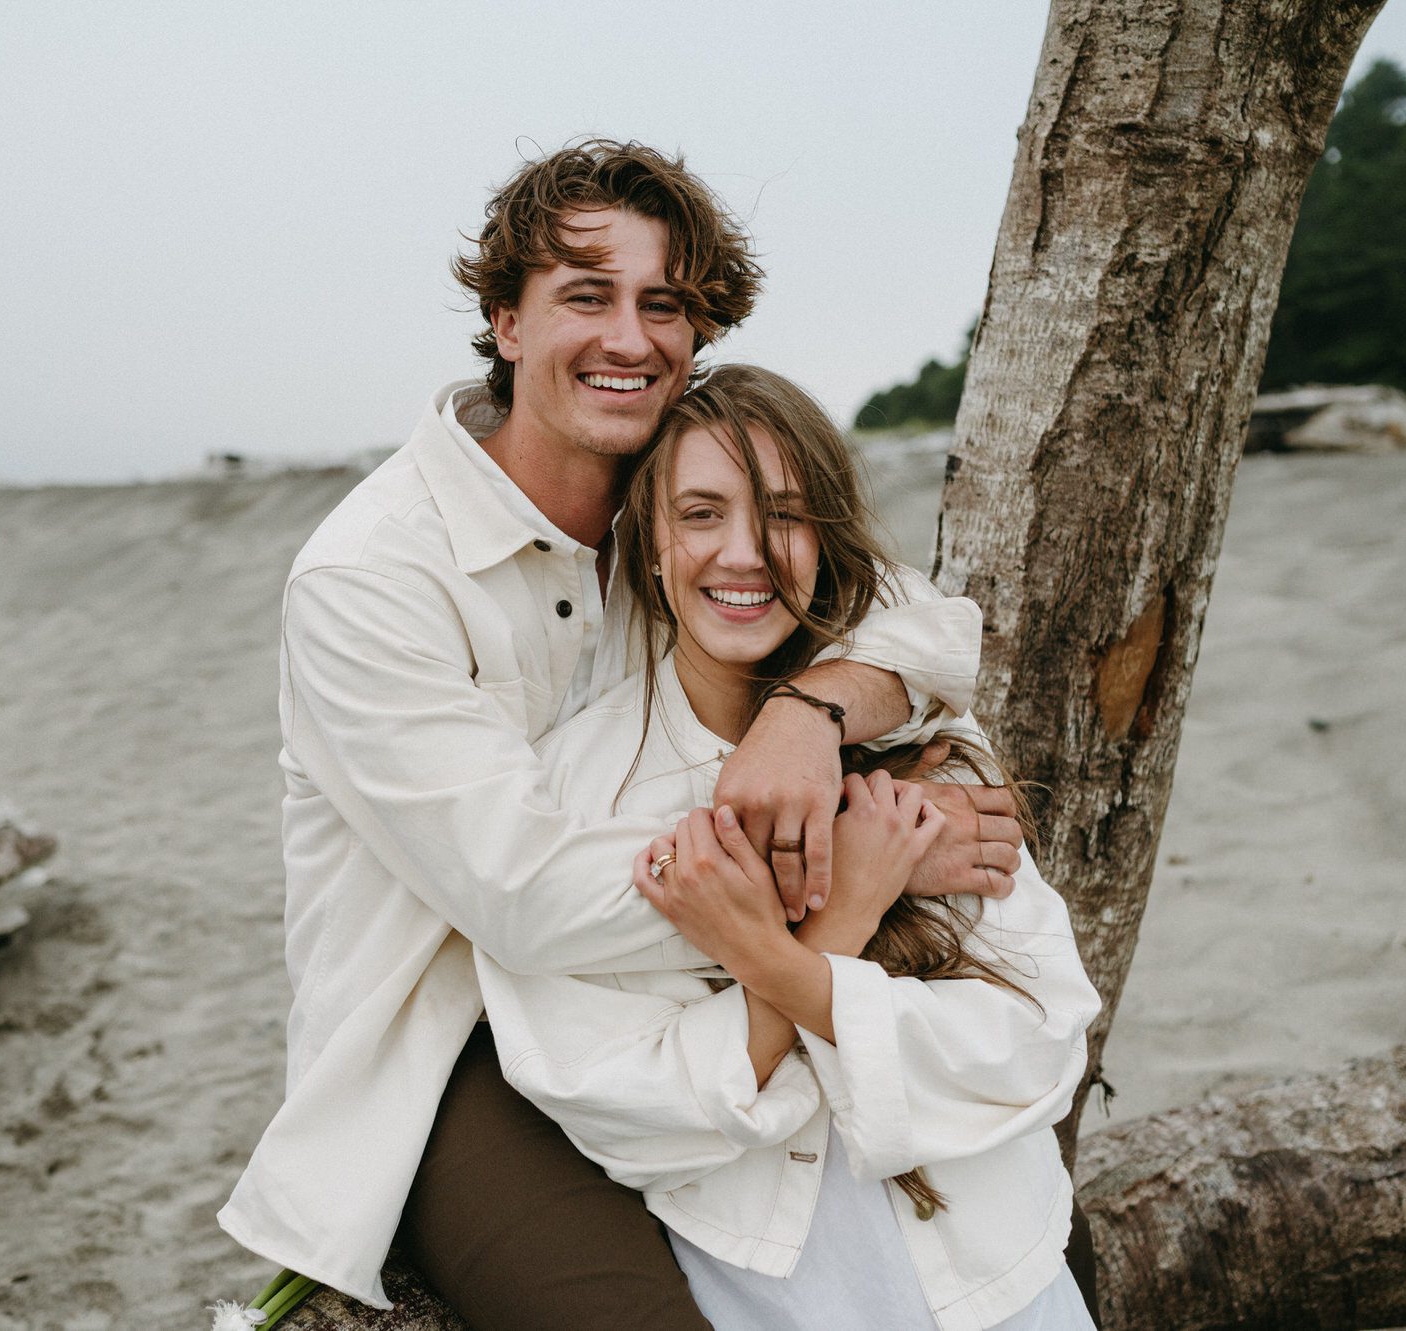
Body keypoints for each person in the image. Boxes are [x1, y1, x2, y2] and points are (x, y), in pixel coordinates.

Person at [218, 140, 1027, 1327]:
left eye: (664, 304)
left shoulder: (681, 479)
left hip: (705, 992)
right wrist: (853, 861)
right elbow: (527, 894)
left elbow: (918, 623)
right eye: (585, 295)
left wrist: (814, 716)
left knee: (977, 1254)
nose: (628, 337)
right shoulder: (369, 577)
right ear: (503, 319)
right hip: (462, 1049)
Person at [477, 364, 1102, 1329]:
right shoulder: (574, 796)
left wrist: (772, 959)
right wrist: (845, 912)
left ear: (825, 537)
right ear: (646, 543)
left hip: (999, 1268)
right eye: (699, 513)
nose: (745, 554)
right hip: (784, 1286)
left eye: (784, 514)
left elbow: (1038, 1036)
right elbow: (630, 1109)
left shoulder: (922, 745)